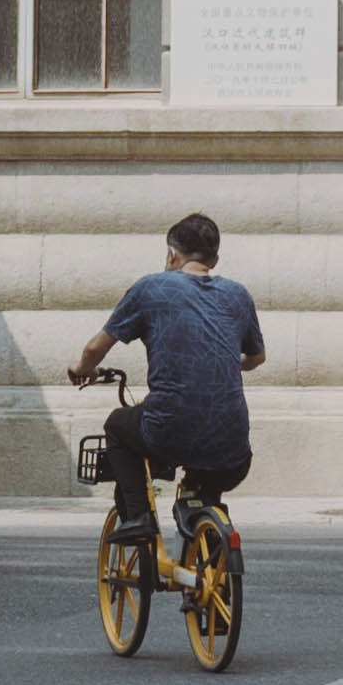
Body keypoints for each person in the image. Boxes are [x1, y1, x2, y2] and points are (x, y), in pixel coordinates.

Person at [69, 211, 265, 543]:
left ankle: (139, 517)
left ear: (171, 254)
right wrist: (225, 360)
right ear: (215, 259)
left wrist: (81, 371)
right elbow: (256, 358)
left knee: (117, 424)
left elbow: (94, 349)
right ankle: (204, 554)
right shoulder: (238, 295)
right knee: (208, 485)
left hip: (169, 430)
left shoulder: (151, 287)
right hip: (234, 448)